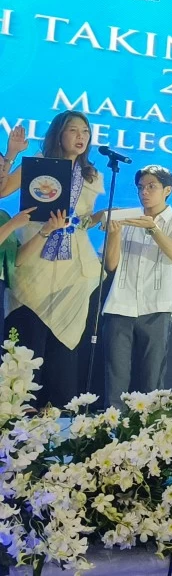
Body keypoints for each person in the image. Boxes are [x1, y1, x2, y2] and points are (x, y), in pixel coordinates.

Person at [1, 113, 105, 407]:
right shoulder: (37, 164)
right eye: (72, 130)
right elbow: (1, 190)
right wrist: (10, 155)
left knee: (64, 349)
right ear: (58, 134)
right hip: (35, 258)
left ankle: (57, 416)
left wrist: (100, 218)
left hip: (72, 268)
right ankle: (18, 419)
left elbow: (82, 221)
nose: (80, 136)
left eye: (85, 131)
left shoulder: (92, 175)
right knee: (29, 342)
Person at [101, 165, 172, 407]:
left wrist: (152, 228)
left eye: (151, 187)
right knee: (116, 376)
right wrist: (114, 233)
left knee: (152, 378)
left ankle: (149, 434)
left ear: (168, 190)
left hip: (157, 305)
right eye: (141, 187)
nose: (145, 192)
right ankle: (111, 432)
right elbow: (111, 265)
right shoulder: (127, 218)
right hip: (120, 304)